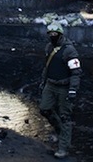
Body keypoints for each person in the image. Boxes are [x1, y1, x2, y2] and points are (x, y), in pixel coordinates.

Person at [39, 22, 82, 159]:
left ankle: (63, 147)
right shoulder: (49, 47)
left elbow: (76, 72)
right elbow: (47, 67)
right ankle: (59, 131)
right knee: (44, 109)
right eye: (50, 34)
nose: (52, 36)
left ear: (60, 34)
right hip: (50, 84)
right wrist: (43, 82)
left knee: (65, 117)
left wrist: (73, 90)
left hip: (64, 87)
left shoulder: (69, 50)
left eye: (54, 34)